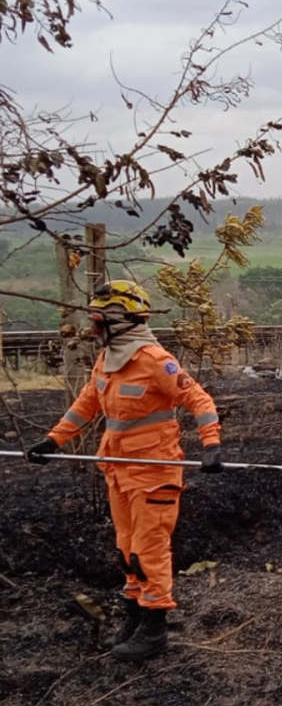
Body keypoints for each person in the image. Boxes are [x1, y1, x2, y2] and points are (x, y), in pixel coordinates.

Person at [25, 280, 224, 661]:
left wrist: (211, 445)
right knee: (127, 549)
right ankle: (133, 617)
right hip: (119, 470)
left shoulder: (154, 360)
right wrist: (54, 440)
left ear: (122, 322)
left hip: (154, 472)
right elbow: (87, 403)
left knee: (149, 551)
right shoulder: (108, 360)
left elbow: (198, 399)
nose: (93, 329)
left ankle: (155, 629)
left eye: (99, 322)